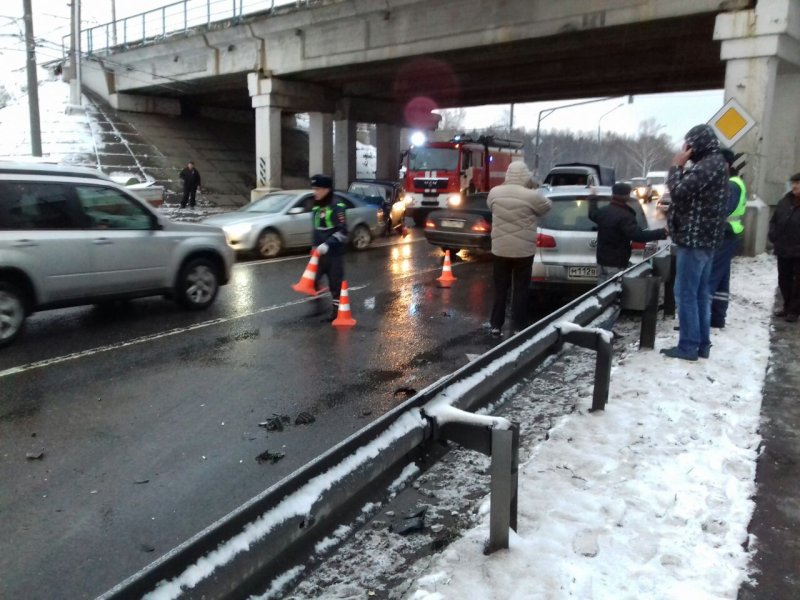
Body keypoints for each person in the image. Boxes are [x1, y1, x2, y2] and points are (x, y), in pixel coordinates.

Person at [660, 124, 729, 361]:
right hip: (705, 239)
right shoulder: (715, 163)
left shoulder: (708, 164)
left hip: (695, 238)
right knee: (699, 293)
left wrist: (677, 166)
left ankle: (689, 346)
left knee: (685, 293)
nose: (685, 148)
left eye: (688, 144)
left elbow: (679, 192)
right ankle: (701, 343)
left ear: (696, 144)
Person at [487, 161, 552, 337]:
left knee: (501, 288)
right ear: (526, 176)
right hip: (524, 252)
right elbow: (547, 207)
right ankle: (518, 326)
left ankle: (495, 325)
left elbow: (490, 206)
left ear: (508, 174)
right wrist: (532, 188)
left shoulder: (495, 193)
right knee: (521, 289)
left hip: (500, 250)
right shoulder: (531, 196)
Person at [588, 182, 668, 283]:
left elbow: (592, 214)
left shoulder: (603, 212)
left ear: (613, 195)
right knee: (612, 292)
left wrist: (593, 197)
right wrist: (662, 232)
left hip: (601, 261)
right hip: (616, 263)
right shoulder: (625, 216)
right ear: (627, 196)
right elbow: (638, 236)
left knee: (601, 292)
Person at [707, 149, 747, 328]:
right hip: (730, 233)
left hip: (724, 233)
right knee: (721, 278)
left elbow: (723, 209)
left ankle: (700, 319)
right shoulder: (735, 182)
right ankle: (717, 318)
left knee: (710, 276)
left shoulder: (730, 185)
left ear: (726, 165)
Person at [310, 174, 348, 322]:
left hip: (334, 254)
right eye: (314, 189)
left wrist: (328, 244)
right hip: (319, 253)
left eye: (318, 189)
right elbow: (316, 229)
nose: (315, 192)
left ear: (327, 189)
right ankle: (318, 303)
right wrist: (314, 245)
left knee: (335, 283)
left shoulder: (337, 206)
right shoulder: (316, 206)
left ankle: (337, 311)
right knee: (313, 279)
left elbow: (343, 231)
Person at [768, 172, 800, 322]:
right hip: (784, 247)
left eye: (798, 183)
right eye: (793, 182)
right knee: (783, 279)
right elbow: (774, 220)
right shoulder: (785, 201)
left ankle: (794, 310)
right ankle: (787, 306)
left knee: (798, 282)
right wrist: (773, 235)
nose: (794, 186)